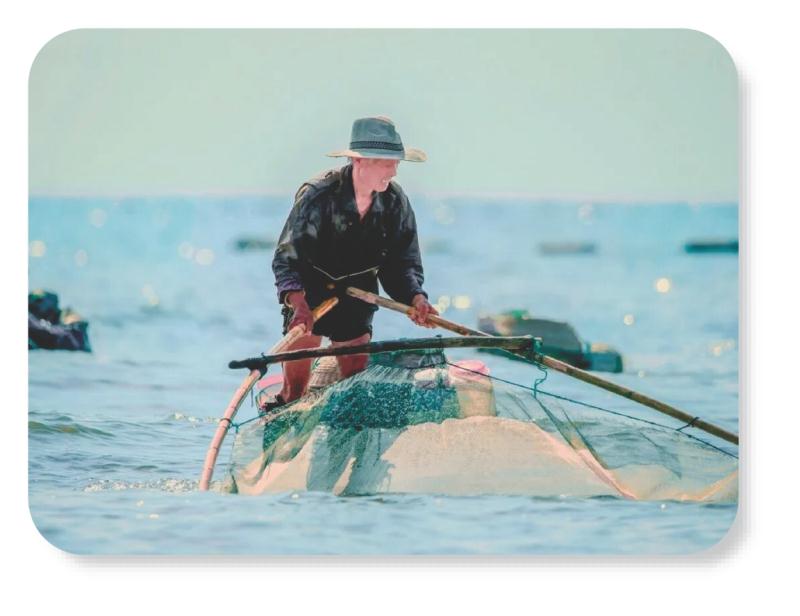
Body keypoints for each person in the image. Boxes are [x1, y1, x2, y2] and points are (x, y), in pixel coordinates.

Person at [267, 116, 438, 411]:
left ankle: (347, 421)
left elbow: (402, 263)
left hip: (359, 290)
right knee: (295, 391)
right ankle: (285, 404)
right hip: (310, 288)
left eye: (396, 163)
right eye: (388, 164)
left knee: (354, 385)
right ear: (361, 162)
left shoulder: (395, 202)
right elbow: (287, 258)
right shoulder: (318, 194)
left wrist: (415, 297)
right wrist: (299, 305)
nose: (394, 171)